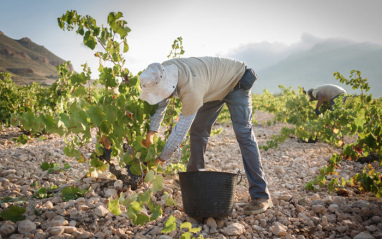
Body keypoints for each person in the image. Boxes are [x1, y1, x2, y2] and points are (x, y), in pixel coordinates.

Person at [139, 56, 272, 215]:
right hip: (211, 87)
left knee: (243, 134)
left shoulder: (191, 91)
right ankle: (195, 179)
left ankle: (261, 195)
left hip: (236, 80)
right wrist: (151, 132)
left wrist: (161, 159)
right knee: (198, 129)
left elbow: (180, 131)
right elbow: (161, 103)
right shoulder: (161, 71)